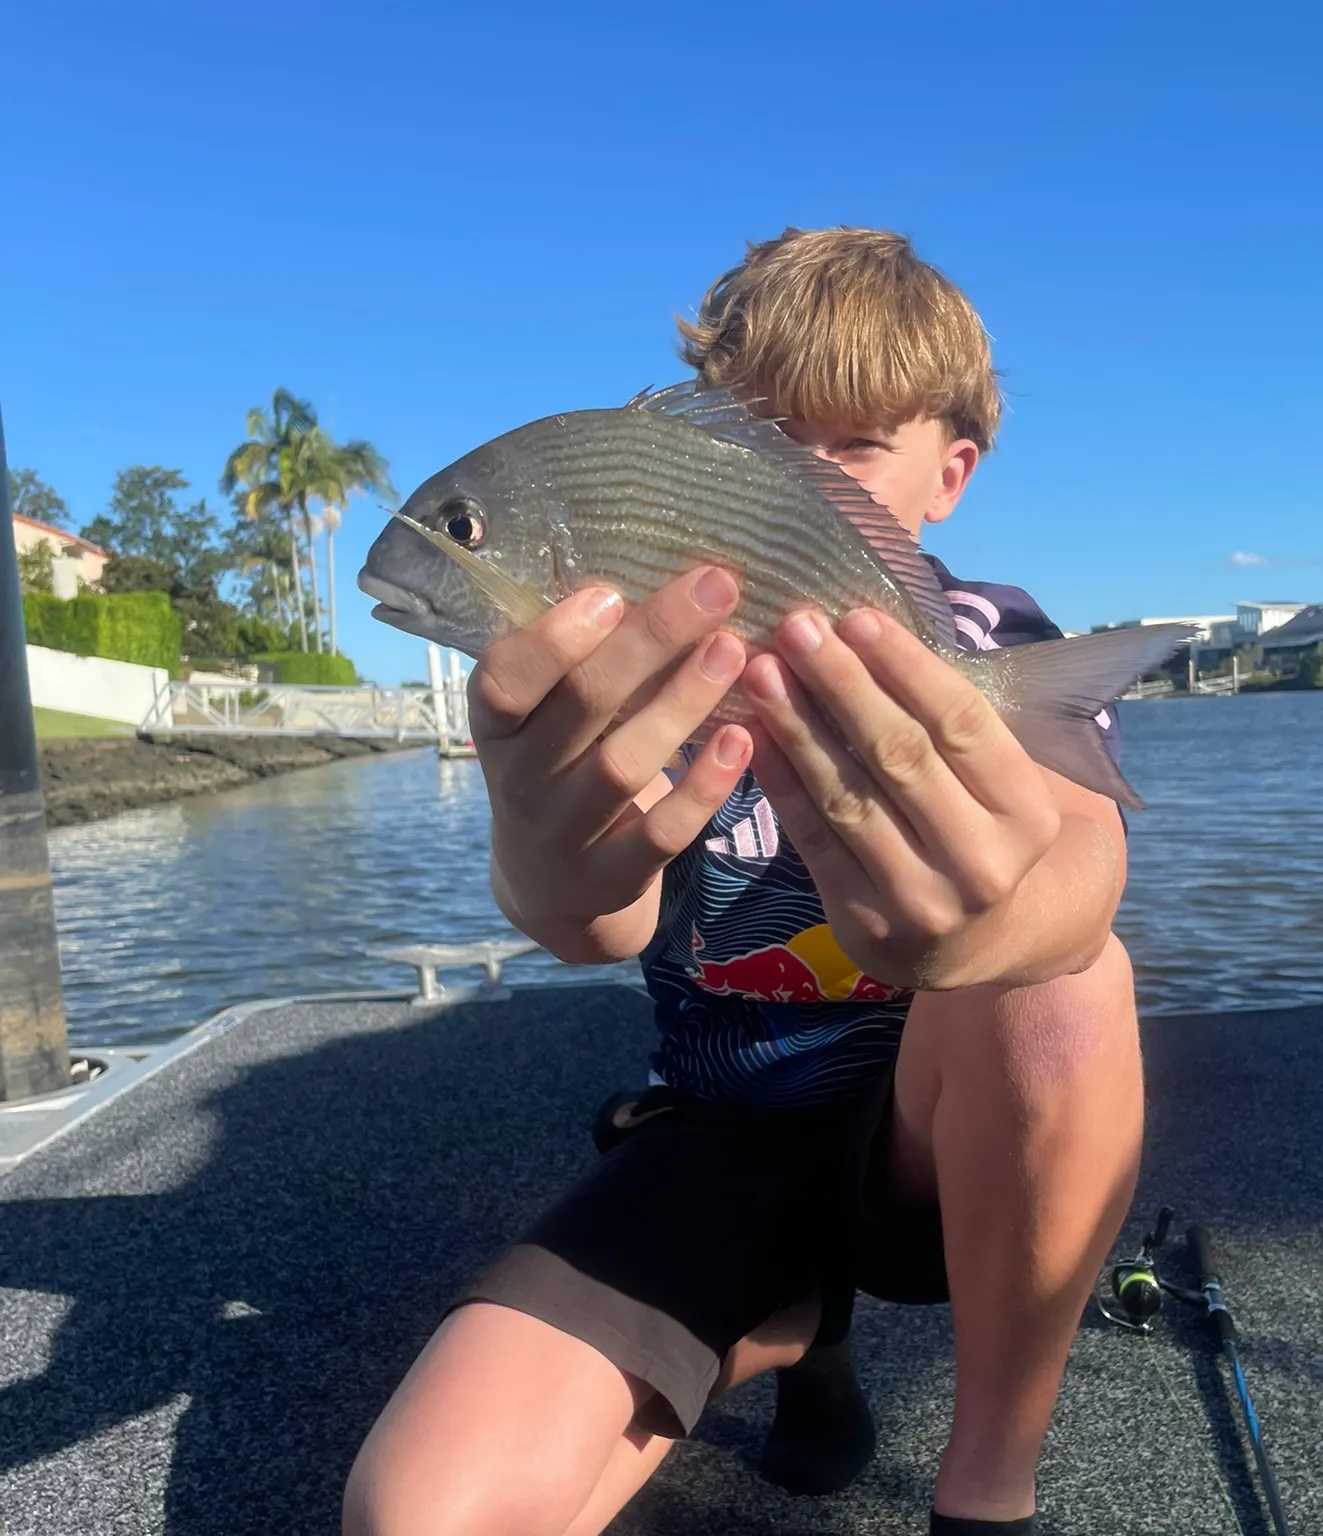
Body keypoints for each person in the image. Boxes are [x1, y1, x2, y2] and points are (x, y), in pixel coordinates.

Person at [344, 227, 1144, 1536]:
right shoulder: (636, 655)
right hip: (728, 1123)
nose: (802, 485)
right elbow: (594, 921)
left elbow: (1086, 881)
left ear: (952, 475)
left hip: (931, 1141)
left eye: (855, 448)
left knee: (1064, 984)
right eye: (758, 443)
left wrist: (994, 923)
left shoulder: (992, 637)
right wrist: (547, 865)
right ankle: (791, 1324)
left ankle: (989, 1491)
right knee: (421, 1514)